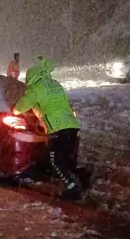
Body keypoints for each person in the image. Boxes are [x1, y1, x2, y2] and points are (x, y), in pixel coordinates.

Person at [13, 55, 91, 202]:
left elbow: (21, 107)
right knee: (65, 159)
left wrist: (15, 110)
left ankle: (72, 188)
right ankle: (82, 177)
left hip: (58, 128)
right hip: (71, 125)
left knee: (55, 161)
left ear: (32, 77)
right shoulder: (55, 84)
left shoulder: (36, 89)